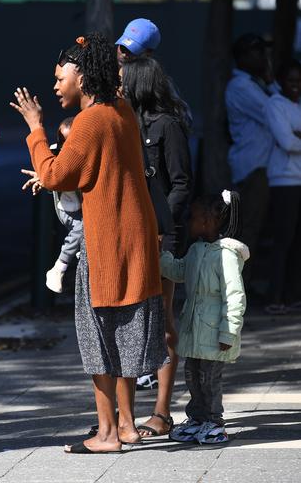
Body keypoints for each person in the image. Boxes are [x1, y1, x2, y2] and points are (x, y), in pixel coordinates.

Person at [11, 33, 167, 454]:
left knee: (97, 338)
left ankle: (107, 434)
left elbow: (59, 174)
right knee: (125, 333)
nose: (56, 85)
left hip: (106, 242)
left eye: (60, 77)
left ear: (81, 75)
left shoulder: (91, 120)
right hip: (135, 235)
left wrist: (35, 128)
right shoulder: (121, 111)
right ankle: (129, 425)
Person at [122, 56, 193, 437]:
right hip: (136, 233)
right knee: (134, 322)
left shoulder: (167, 125)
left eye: (123, 80)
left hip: (164, 234)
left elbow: (181, 183)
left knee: (163, 320)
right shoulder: (128, 123)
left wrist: (166, 231)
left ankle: (162, 412)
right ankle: (125, 415)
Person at [163, 191, 248, 444]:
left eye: (195, 217)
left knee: (210, 379)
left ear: (210, 220)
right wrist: (162, 258)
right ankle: (197, 417)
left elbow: (235, 296)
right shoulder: (196, 250)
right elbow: (180, 271)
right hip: (194, 330)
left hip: (214, 332)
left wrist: (228, 332)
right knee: (192, 374)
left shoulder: (227, 255)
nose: (190, 221)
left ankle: (214, 420)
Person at [225, 33, 276, 287]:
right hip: (252, 167)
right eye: (257, 52)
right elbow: (273, 112)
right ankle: (240, 287)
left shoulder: (256, 84)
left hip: (264, 165)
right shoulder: (240, 86)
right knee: (249, 230)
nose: (263, 57)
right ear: (242, 57)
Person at [21, 117, 83, 293]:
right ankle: (59, 267)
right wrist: (43, 178)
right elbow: (48, 170)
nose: (66, 146)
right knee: (81, 227)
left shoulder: (81, 153)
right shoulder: (55, 153)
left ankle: (78, 248)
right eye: (63, 141)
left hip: (82, 204)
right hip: (67, 208)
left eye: (71, 141)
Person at [264, 59, 301, 314]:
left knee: (297, 241)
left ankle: (293, 295)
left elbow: (291, 139)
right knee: (283, 240)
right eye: (291, 82)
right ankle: (274, 297)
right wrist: (293, 136)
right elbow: (287, 142)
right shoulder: (275, 104)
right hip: (283, 180)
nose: (296, 87)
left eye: (299, 82)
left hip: (298, 179)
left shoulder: (296, 106)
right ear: (280, 82)